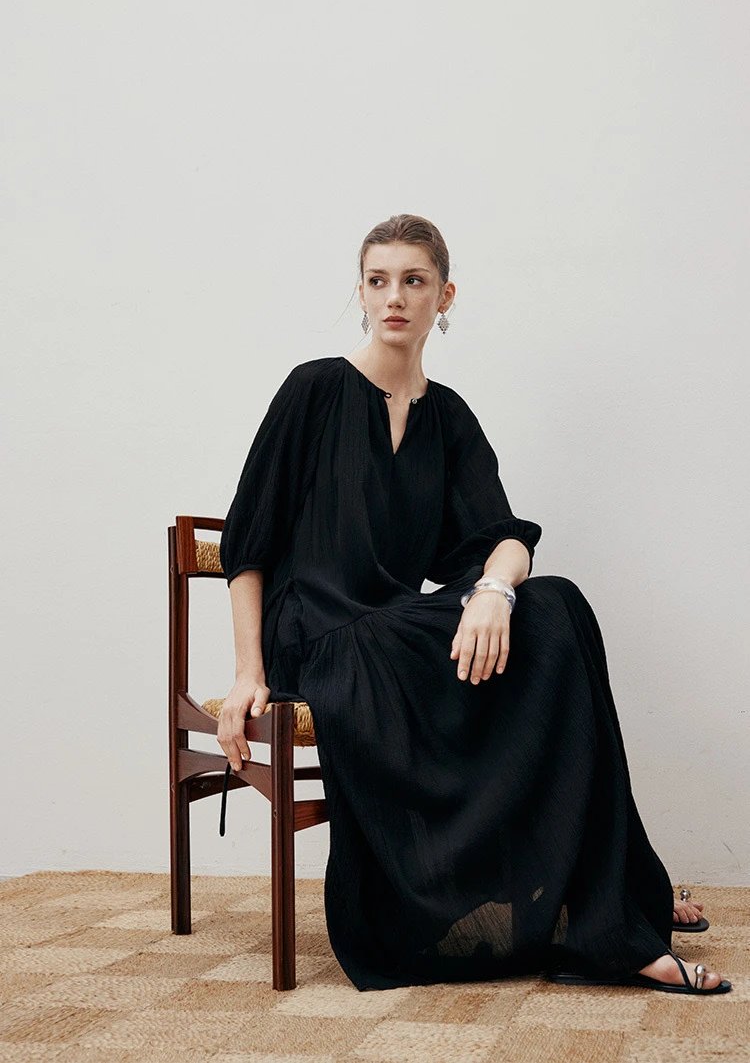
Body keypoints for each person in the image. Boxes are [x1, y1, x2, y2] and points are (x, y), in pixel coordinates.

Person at [217, 214, 730, 996]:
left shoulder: (448, 416)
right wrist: (247, 672)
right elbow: (246, 543)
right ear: (361, 292)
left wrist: (494, 590)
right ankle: (606, 906)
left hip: (393, 629)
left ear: (444, 296)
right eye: (378, 280)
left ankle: (609, 898)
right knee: (500, 628)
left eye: (413, 280)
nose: (395, 297)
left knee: (555, 608)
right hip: (321, 638)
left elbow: (506, 537)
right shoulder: (312, 389)